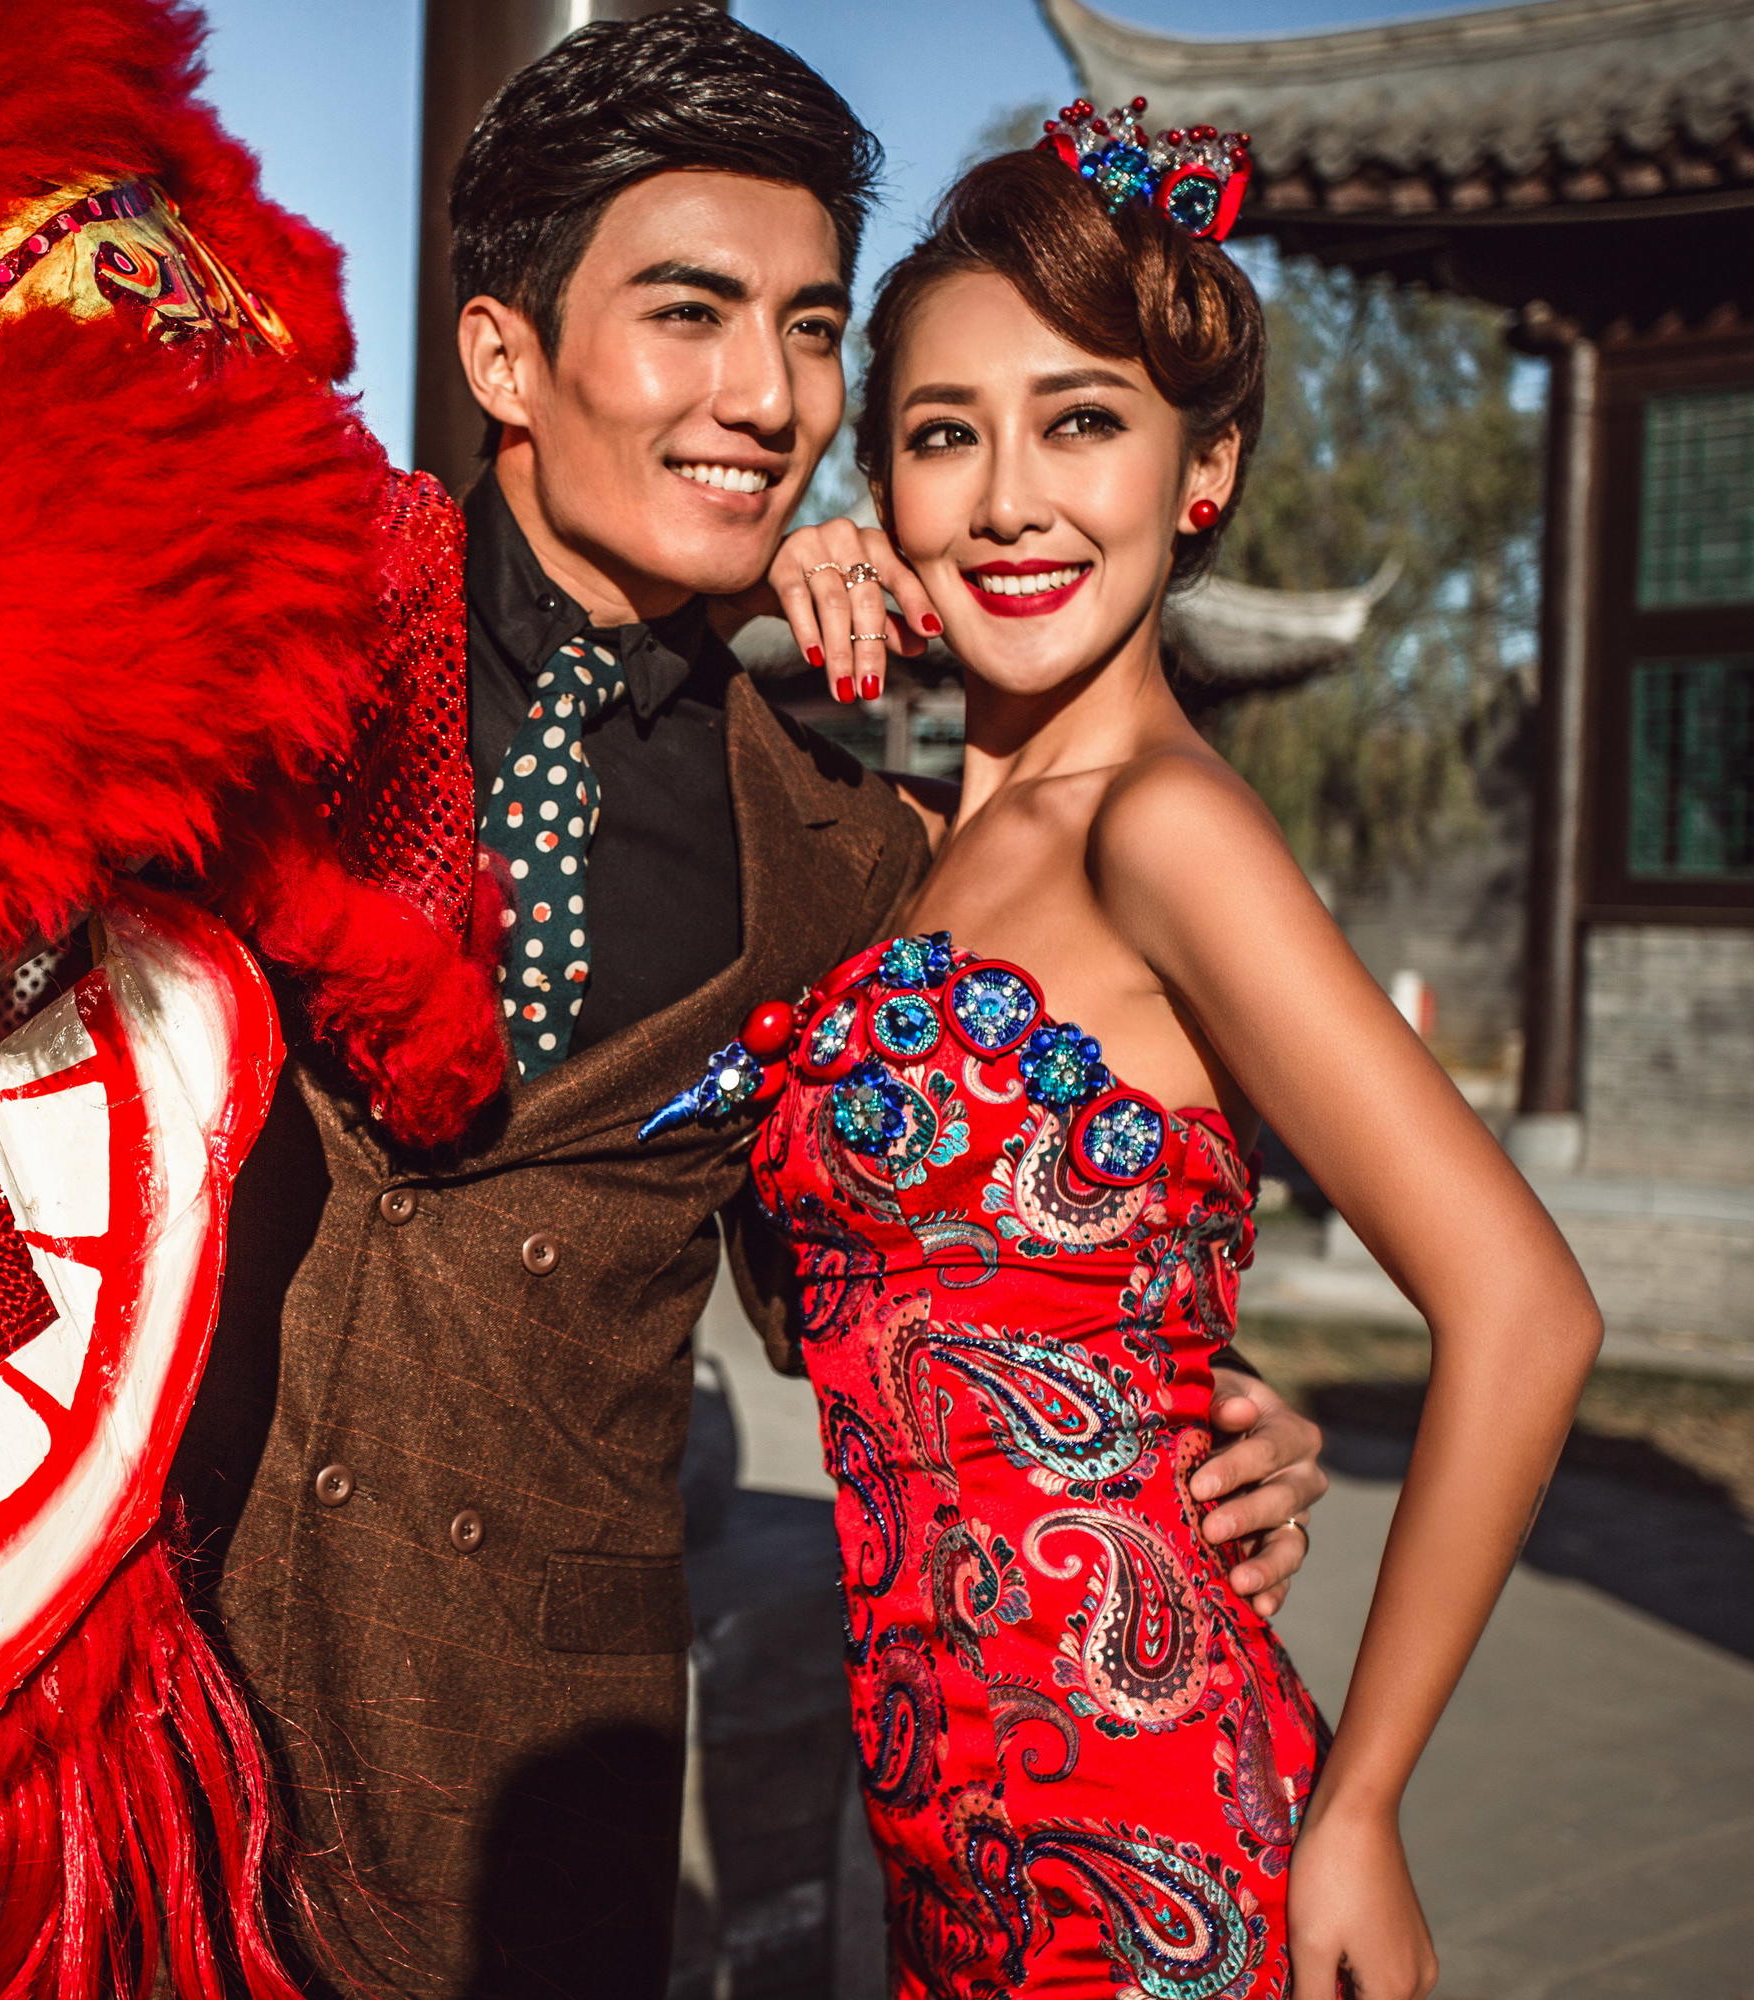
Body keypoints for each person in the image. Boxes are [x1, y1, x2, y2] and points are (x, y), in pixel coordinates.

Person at [174, 22, 1335, 1997]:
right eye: (689, 314)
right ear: (503, 359)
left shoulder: (842, 862)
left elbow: (883, 1289)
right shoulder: (267, 643)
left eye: (807, 330)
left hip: (530, 1800)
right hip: (161, 1766)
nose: (767, 395)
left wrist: (1192, 1409)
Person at [738, 128, 1602, 1999]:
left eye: (1082, 423)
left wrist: (1363, 1803)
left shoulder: (1165, 828)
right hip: (946, 1837)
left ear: (1201, 471)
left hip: (1156, 1844)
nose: (1009, 503)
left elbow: (1527, 1309)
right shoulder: (919, 853)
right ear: (883, 480)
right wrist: (768, 577)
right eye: (946, 435)